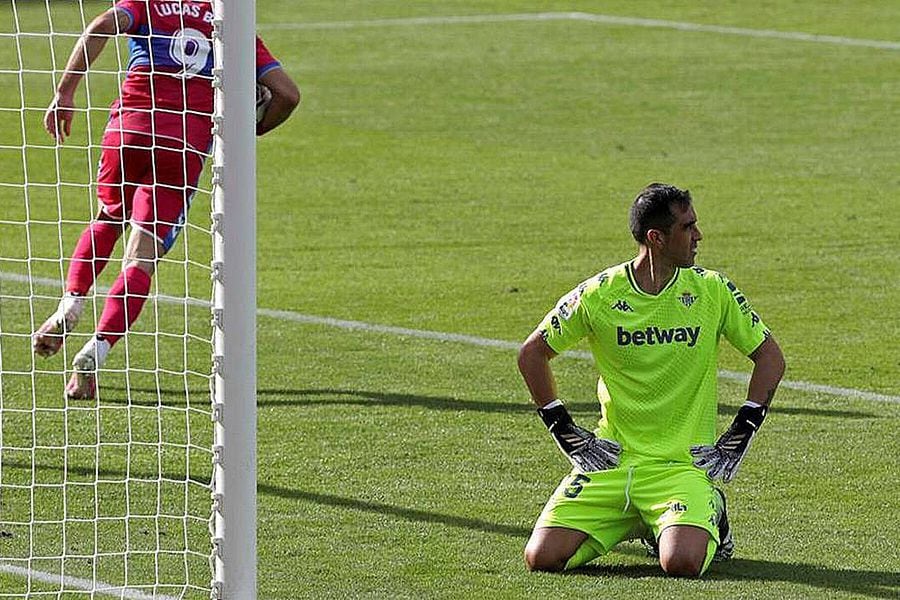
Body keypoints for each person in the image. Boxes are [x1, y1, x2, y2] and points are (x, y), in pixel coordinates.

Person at [34, 0, 301, 399]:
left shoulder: (146, 3)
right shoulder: (228, 18)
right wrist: (254, 128)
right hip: (183, 144)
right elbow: (288, 94)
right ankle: (98, 349)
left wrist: (64, 92)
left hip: (130, 130)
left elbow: (101, 26)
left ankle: (70, 304)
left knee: (108, 217)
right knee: (141, 256)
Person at [517, 183, 785, 577]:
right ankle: (647, 522)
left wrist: (741, 430)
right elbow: (532, 354)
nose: (698, 237)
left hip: (680, 467)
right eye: (688, 227)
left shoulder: (712, 290)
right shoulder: (599, 294)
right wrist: (565, 431)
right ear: (656, 238)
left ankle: (710, 510)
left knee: (682, 563)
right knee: (541, 558)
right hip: (611, 464)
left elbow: (770, 357)